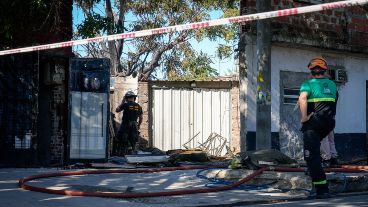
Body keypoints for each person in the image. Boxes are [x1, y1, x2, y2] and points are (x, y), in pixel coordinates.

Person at [299, 57, 338, 199]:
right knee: (315, 150)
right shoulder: (333, 85)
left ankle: (322, 189)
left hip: (313, 123)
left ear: (310, 71)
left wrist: (304, 117)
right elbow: (334, 103)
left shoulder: (308, 84)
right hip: (328, 123)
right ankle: (314, 170)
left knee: (311, 156)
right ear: (325, 71)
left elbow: (302, 98)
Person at [115, 91, 143, 155]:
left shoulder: (125, 104)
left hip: (126, 124)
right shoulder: (138, 106)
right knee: (133, 140)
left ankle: (122, 154)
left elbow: (117, 110)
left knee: (122, 139)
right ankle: (133, 154)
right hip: (134, 124)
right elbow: (141, 118)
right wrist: (138, 125)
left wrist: (122, 101)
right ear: (134, 98)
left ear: (126, 98)